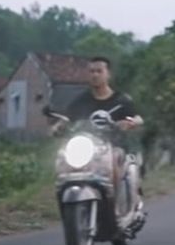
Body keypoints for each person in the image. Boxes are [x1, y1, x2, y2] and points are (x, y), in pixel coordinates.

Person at [50, 56, 145, 215]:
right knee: (63, 160)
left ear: (108, 74)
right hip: (88, 147)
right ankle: (67, 202)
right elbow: (67, 118)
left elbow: (137, 118)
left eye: (99, 71)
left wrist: (131, 123)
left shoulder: (121, 100)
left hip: (114, 146)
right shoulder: (81, 100)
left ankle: (117, 207)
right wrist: (58, 127)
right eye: (91, 71)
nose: (95, 75)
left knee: (116, 160)